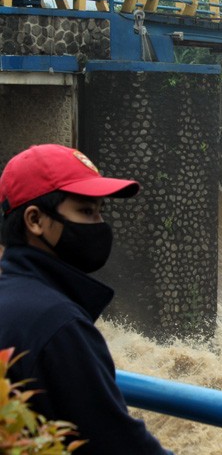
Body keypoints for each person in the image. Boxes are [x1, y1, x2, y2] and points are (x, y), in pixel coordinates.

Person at [0, 144, 172, 454]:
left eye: (99, 212)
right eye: (85, 211)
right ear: (35, 220)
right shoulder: (59, 325)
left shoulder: (11, 296)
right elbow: (119, 445)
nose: (99, 226)